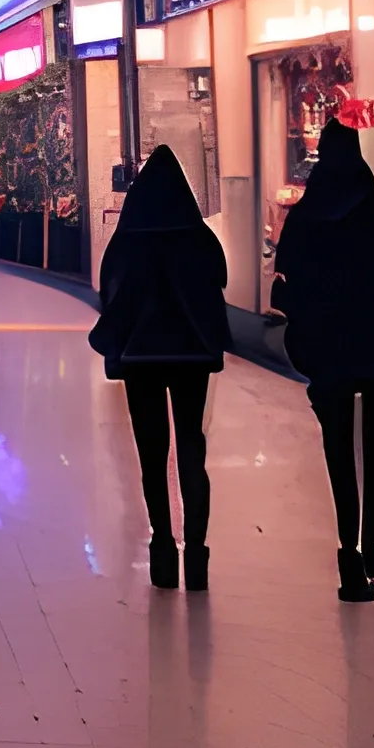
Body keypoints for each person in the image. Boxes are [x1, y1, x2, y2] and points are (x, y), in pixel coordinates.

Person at [270, 120, 374, 603]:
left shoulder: (306, 217)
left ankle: (346, 552)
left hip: (328, 357)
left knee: (339, 453)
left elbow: (285, 287)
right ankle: (372, 544)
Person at [88, 146, 230, 592]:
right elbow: (217, 281)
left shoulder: (128, 240)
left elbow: (107, 291)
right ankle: (199, 557)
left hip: (140, 357)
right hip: (192, 357)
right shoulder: (199, 238)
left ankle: (164, 552)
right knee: (192, 448)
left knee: (152, 456)